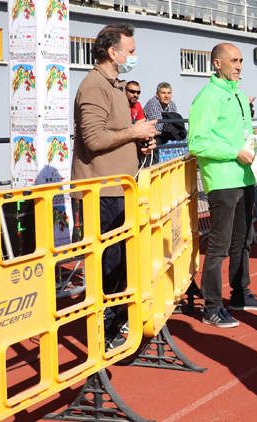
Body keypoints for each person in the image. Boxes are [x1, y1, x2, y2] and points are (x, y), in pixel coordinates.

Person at [71, 23, 158, 349]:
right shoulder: (94, 86)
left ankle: (117, 326)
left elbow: (115, 135)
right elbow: (93, 139)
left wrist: (138, 143)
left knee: (122, 263)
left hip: (120, 189)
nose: (134, 56)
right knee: (106, 266)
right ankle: (102, 335)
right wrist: (133, 134)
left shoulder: (116, 85)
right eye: (131, 50)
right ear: (112, 52)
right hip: (102, 192)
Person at [188, 43, 257, 327]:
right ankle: (211, 307)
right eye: (233, 61)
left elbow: (236, 132)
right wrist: (234, 151)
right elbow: (197, 142)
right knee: (219, 246)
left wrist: (253, 135)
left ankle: (240, 294)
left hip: (245, 177)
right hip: (223, 180)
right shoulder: (208, 97)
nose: (239, 66)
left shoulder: (235, 92)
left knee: (244, 241)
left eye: (240, 61)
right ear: (217, 64)